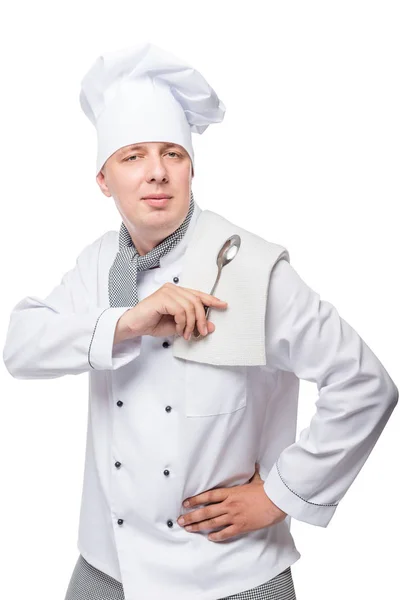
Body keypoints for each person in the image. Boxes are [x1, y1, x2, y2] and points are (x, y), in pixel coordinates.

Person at [2, 42, 398, 600]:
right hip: (106, 567)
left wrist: (281, 494)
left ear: (192, 167)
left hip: (229, 573)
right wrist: (127, 323)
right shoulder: (96, 265)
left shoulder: (250, 266)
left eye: (173, 154)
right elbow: (20, 347)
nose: (157, 174)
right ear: (103, 180)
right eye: (133, 156)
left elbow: (365, 384)